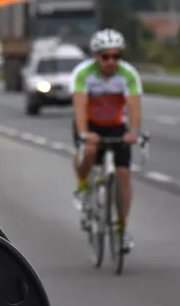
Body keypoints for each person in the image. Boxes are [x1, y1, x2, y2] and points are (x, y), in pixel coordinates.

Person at [70, 29, 144, 253]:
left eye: (116, 56)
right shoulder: (83, 73)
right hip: (90, 124)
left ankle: (122, 229)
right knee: (90, 150)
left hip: (115, 125)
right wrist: (84, 133)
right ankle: (83, 186)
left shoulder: (128, 74)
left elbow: (134, 106)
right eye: (105, 56)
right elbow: (79, 106)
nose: (111, 61)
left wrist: (133, 131)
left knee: (123, 175)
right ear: (95, 56)